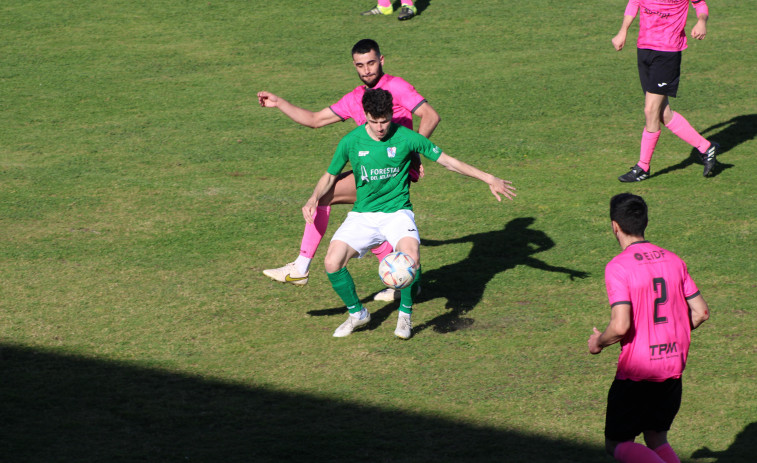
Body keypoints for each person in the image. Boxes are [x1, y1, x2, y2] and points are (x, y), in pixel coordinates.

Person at [307, 88, 515, 339]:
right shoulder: (351, 142)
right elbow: (330, 175)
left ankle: (405, 315)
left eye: (385, 120)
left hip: (397, 213)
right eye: (374, 122)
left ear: (391, 115)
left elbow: (448, 161)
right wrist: (314, 198)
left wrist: (488, 178)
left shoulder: (407, 137)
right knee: (332, 262)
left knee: (411, 258)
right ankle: (357, 313)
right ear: (365, 116)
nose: (381, 127)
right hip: (363, 215)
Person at [258, 39, 440, 302]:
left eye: (371, 63)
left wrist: (413, 154)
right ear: (354, 66)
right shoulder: (355, 98)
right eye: (360, 65)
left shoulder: (396, 86)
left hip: (391, 174)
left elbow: (430, 116)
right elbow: (315, 120)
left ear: (382, 60)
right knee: (371, 219)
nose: (366, 70)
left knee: (324, 197)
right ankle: (408, 282)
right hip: (370, 175)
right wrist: (279, 102)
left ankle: (301, 266)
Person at [588, 193, 710, 463]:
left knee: (617, 444)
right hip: (672, 368)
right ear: (645, 222)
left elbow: (620, 326)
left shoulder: (618, 267)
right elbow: (701, 312)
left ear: (614, 226)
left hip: (637, 373)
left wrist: (597, 343)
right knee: (656, 438)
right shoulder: (674, 260)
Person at [612, 0, 719, 182]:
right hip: (644, 48)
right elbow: (634, 3)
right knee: (663, 113)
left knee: (650, 110)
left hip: (667, 52)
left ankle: (643, 167)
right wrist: (623, 31)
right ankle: (706, 147)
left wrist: (701, 21)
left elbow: (700, 4)